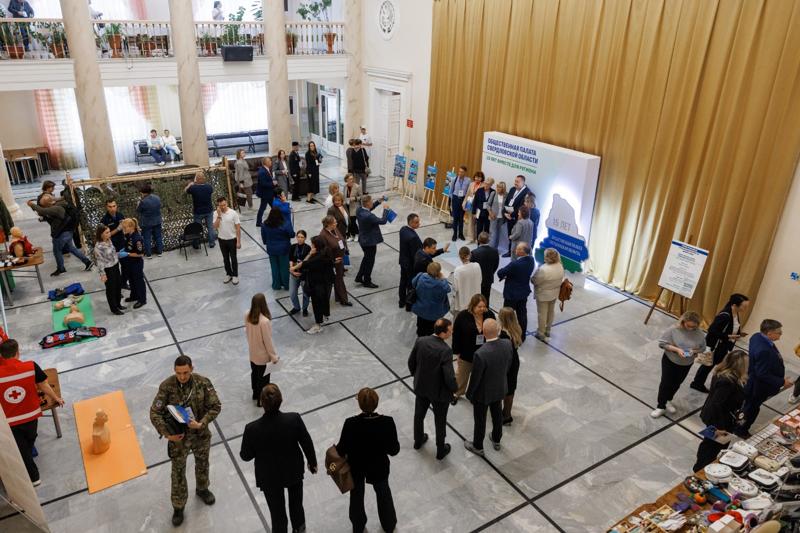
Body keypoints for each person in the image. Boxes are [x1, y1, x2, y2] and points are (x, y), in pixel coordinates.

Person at [149, 354, 222, 527]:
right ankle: (178, 506)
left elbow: (216, 406)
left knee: (202, 463)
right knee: (178, 473)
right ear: (174, 371)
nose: (182, 376)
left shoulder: (203, 383)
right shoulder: (167, 386)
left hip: (200, 434)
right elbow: (154, 412)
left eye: (185, 372)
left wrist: (202, 423)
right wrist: (167, 434)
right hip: (178, 439)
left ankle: (202, 489)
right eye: (178, 373)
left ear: (192, 369)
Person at [240, 384, 317, 533]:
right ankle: (299, 529)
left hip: (269, 477)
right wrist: (312, 462)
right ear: (281, 400)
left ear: (262, 403)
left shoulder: (251, 429)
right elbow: (306, 442)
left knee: (277, 513)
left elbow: (245, 456)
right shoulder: (294, 419)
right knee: (296, 505)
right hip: (293, 470)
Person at [0, 339, 64, 486]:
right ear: (17, 353)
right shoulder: (30, 366)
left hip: (9, 420)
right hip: (31, 415)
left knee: (23, 447)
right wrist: (56, 398)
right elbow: (43, 385)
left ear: (1, 356)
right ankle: (34, 477)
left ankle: (24, 467)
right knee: (28, 441)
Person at [336, 388, 399, 533]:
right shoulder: (387, 422)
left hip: (356, 468)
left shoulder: (350, 423)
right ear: (376, 403)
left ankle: (358, 526)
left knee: (356, 497)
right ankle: (388, 524)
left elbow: (341, 450)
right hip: (379, 467)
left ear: (360, 404)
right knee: (383, 494)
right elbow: (394, 450)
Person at [408, 318, 457, 460]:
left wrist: (416, 376)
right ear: (443, 333)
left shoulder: (421, 341)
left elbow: (411, 362)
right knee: (440, 421)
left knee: (419, 415)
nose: (452, 332)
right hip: (439, 393)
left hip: (422, 387)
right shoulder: (446, 350)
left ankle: (418, 441)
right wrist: (454, 389)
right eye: (450, 330)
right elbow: (449, 376)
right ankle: (440, 450)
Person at [693, 350, 748, 472]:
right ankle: (700, 469)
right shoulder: (727, 381)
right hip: (718, 420)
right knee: (710, 447)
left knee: (713, 445)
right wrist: (720, 427)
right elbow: (716, 404)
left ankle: (703, 466)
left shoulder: (726, 374)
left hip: (721, 417)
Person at [463, 319, 512, 456]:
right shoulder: (507, 344)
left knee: (480, 420)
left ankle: (478, 446)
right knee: (497, 415)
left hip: (483, 394)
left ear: (483, 333)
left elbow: (476, 378)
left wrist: (469, 394)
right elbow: (508, 365)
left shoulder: (480, 353)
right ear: (498, 330)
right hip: (499, 388)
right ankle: (496, 439)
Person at [738, 319, 792, 436]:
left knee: (748, 406)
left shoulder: (756, 336)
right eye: (779, 332)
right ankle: (741, 430)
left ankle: (740, 426)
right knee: (751, 409)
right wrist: (782, 382)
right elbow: (762, 374)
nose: (781, 334)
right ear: (769, 333)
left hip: (753, 380)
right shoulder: (764, 350)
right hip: (758, 387)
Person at [650, 311, 708, 419]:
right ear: (683, 322)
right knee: (666, 383)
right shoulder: (673, 329)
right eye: (688, 326)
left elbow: (703, 348)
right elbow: (662, 343)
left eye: (694, 327)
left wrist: (693, 351)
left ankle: (668, 400)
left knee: (677, 383)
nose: (690, 328)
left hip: (686, 363)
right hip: (670, 360)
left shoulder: (699, 334)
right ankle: (661, 406)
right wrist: (677, 350)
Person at [689, 293, 750, 393]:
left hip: (724, 345)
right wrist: (729, 336)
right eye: (744, 306)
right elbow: (712, 330)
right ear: (735, 305)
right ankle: (697, 383)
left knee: (711, 365)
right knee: (708, 365)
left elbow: (732, 328)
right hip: (716, 346)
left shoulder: (735, 314)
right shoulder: (725, 315)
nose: (746, 308)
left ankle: (699, 383)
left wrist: (737, 335)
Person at [27, 194, 92, 276]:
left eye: (43, 205)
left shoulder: (56, 208)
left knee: (57, 251)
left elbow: (43, 211)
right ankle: (87, 262)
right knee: (71, 248)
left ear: (48, 204)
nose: (43, 207)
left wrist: (31, 204)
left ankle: (61, 269)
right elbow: (51, 215)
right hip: (68, 231)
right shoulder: (60, 205)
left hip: (62, 233)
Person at [452, 294, 496, 403]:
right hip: (466, 353)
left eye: (484, 306)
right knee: (462, 375)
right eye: (479, 307)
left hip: (483, 353)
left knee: (480, 377)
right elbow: (456, 335)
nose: (482, 309)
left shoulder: (489, 314)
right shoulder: (463, 316)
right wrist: (457, 352)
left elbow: (494, 331)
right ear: (473, 306)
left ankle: (475, 394)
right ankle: (456, 393)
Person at [496, 243, 536, 343]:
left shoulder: (515, 264)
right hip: (523, 292)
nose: (515, 250)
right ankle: (522, 336)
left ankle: (506, 335)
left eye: (518, 249)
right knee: (522, 315)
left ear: (522, 252)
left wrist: (507, 274)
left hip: (512, 294)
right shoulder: (531, 260)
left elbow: (501, 272)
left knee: (507, 315)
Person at [295, 236, 334, 334]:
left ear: (316, 246)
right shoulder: (326, 252)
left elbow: (303, 265)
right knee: (324, 300)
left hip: (316, 285)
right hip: (326, 283)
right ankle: (325, 315)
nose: (311, 246)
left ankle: (318, 325)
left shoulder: (316, 258)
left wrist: (309, 254)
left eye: (312, 244)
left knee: (316, 304)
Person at [245, 294, 279, 405]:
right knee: (263, 379)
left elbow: (247, 332)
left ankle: (255, 394)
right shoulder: (264, 321)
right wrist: (274, 357)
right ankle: (261, 401)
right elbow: (268, 341)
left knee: (254, 374)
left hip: (252, 352)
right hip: (263, 356)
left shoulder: (247, 314)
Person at [355, 195, 389, 289]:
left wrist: (379, 201)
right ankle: (367, 281)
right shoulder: (369, 216)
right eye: (371, 201)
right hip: (369, 242)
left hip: (363, 239)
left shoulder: (359, 210)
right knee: (370, 261)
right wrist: (386, 210)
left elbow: (370, 207)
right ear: (367, 203)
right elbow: (383, 221)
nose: (372, 202)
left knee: (366, 258)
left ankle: (359, 276)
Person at [531, 248, 565, 340]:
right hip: (554, 293)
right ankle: (548, 330)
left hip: (543, 295)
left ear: (547, 257)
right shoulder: (560, 266)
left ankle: (541, 332)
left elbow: (535, 281)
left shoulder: (543, 269)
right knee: (551, 312)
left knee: (542, 314)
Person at [319, 214, 351, 307]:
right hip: (332, 262)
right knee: (337, 280)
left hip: (340, 259)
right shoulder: (323, 236)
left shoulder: (335, 229)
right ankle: (343, 299)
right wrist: (333, 260)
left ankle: (340, 298)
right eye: (334, 222)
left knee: (339, 279)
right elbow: (323, 253)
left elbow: (341, 240)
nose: (336, 223)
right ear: (329, 224)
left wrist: (345, 249)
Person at [411, 262, 451, 337]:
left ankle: (420, 337)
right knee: (431, 329)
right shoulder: (440, 284)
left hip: (421, 308)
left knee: (421, 326)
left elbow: (413, 283)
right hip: (434, 313)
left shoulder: (420, 276)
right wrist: (444, 279)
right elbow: (448, 289)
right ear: (438, 272)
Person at [93, 224, 125, 315]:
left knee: (118, 286)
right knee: (111, 289)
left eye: (109, 232)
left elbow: (112, 253)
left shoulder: (109, 240)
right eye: (107, 232)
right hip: (108, 269)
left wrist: (118, 254)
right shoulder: (98, 247)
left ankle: (118, 304)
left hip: (115, 266)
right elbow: (99, 262)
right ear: (101, 234)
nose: (109, 234)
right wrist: (102, 274)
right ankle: (114, 309)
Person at [498, 307, 522, 424]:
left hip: (506, 362)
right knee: (511, 388)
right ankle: (507, 413)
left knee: (503, 388)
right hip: (514, 361)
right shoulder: (516, 328)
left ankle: (504, 415)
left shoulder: (503, 334)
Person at [262, 207, 293, 291]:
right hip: (284, 249)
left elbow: (264, 238)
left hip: (271, 248)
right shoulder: (285, 223)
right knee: (284, 267)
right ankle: (286, 285)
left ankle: (276, 285)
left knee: (274, 267)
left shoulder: (265, 224)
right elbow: (292, 234)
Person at [213, 196, 241, 284]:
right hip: (222, 239)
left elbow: (238, 228)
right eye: (221, 205)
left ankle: (235, 275)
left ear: (227, 203)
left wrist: (238, 241)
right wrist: (219, 216)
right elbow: (215, 226)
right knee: (225, 258)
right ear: (218, 205)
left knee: (233, 258)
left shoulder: (233, 213)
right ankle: (228, 274)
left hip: (232, 239)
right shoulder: (216, 213)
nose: (223, 207)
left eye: (224, 205)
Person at [184, 171, 216, 249]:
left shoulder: (193, 188)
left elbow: (185, 190)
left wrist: (190, 184)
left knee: (197, 228)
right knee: (210, 227)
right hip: (209, 210)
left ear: (196, 179)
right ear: (204, 178)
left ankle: (196, 244)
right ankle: (212, 243)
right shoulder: (209, 187)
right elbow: (211, 191)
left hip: (198, 212)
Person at [120, 218, 147, 308]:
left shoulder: (137, 238)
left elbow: (141, 254)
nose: (123, 229)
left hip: (136, 264)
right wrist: (124, 250)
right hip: (129, 263)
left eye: (125, 227)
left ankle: (142, 300)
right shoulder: (129, 235)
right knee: (132, 280)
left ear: (131, 227)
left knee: (139, 282)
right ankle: (134, 296)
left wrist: (127, 254)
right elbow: (129, 246)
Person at [398, 213, 423, 309]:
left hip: (403, 261)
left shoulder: (403, 229)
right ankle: (409, 305)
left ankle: (401, 301)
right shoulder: (413, 237)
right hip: (410, 264)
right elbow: (415, 254)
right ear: (411, 223)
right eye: (417, 222)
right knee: (410, 284)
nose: (419, 224)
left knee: (402, 281)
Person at [502, 175, 530, 257]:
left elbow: (522, 206)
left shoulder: (527, 192)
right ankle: (510, 251)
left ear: (523, 182)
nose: (515, 183)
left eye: (517, 182)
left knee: (517, 237)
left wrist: (512, 214)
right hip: (509, 217)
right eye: (515, 181)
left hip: (518, 219)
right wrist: (505, 212)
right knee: (510, 234)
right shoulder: (512, 189)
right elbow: (507, 201)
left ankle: (516, 253)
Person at [470, 231, 500, 303]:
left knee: (476, 299)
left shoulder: (474, 252)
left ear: (478, 240)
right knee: (486, 298)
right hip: (488, 279)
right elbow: (496, 265)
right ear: (489, 240)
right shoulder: (495, 251)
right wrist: (490, 272)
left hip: (477, 279)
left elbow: (471, 267)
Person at [451, 246, 482, 313]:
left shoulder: (458, 270)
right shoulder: (477, 265)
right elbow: (480, 280)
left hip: (463, 301)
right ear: (470, 254)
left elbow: (455, 288)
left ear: (459, 257)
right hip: (476, 298)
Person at [136, 184, 163, 258]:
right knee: (158, 236)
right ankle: (160, 252)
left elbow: (138, 210)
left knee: (147, 238)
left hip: (147, 223)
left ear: (143, 192)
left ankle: (149, 254)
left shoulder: (143, 201)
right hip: (157, 220)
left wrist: (138, 203)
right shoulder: (157, 198)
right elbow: (160, 206)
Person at [288, 230, 311, 316]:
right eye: (298, 237)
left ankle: (305, 308)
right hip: (293, 274)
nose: (300, 239)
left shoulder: (308, 248)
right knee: (292, 293)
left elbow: (306, 263)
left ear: (305, 238)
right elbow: (291, 259)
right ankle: (296, 307)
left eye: (302, 237)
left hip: (304, 275)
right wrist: (292, 269)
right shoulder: (293, 247)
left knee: (305, 294)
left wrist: (296, 269)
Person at [449, 166, 470, 241]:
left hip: (463, 200)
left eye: (462, 172)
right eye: (459, 171)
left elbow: (468, 192)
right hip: (455, 199)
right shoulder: (454, 179)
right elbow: (451, 191)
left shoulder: (468, 180)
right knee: (455, 218)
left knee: (461, 218)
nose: (460, 173)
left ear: (465, 172)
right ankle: (454, 234)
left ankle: (461, 234)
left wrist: (466, 201)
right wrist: (452, 200)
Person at [463, 171, 485, 242]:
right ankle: (471, 237)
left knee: (477, 222)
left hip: (478, 207)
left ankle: (477, 238)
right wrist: (464, 203)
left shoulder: (483, 186)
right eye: (476, 177)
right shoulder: (471, 184)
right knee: (470, 221)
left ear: (482, 178)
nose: (477, 178)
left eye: (479, 177)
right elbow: (467, 194)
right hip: (470, 204)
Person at [256, 157, 275, 227]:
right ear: (266, 162)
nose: (271, 162)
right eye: (269, 161)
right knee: (262, 208)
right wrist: (273, 183)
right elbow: (263, 183)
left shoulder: (267, 169)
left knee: (274, 207)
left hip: (269, 193)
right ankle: (258, 222)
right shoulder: (262, 172)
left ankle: (276, 219)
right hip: (265, 194)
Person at [488, 181, 507, 250]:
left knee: (499, 233)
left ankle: (495, 248)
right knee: (492, 232)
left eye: (500, 187)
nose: (498, 188)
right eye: (497, 187)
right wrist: (490, 213)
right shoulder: (493, 193)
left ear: (503, 188)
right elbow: (488, 204)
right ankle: (490, 248)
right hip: (493, 216)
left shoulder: (506, 195)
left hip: (502, 217)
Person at [343, 173, 361, 241]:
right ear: (346, 180)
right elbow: (344, 196)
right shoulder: (345, 186)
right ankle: (352, 235)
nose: (352, 180)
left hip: (354, 207)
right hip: (347, 206)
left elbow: (361, 197)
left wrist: (354, 198)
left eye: (352, 178)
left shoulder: (357, 186)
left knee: (353, 221)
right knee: (349, 222)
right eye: (350, 179)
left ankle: (357, 234)